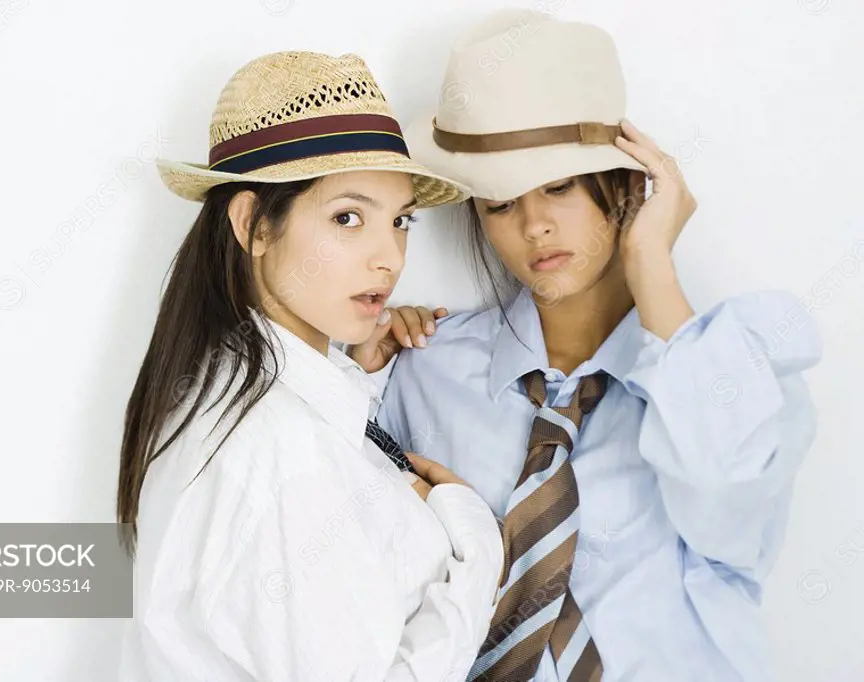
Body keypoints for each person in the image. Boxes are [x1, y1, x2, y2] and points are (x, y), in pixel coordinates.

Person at [350, 10, 823, 682]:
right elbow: (361, 580)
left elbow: (732, 507)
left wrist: (652, 259)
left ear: (629, 182)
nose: (535, 225)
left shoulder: (733, 371)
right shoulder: (426, 368)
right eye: (501, 203)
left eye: (560, 187)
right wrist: (356, 378)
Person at [116, 50, 506, 682]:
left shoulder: (253, 394)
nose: (389, 257)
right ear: (252, 225)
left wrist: (359, 381)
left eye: (401, 220)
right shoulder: (275, 451)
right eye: (347, 217)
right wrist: (478, 543)